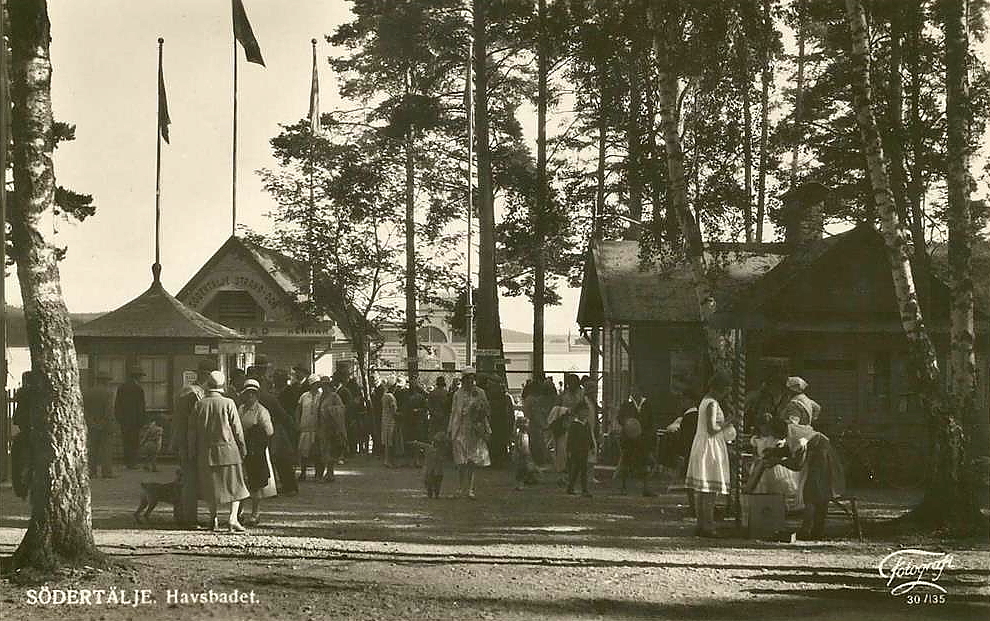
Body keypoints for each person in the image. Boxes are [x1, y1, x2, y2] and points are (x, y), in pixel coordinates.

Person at [765, 418, 846, 540]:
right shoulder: (791, 430)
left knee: (812, 494)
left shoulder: (798, 438)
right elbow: (791, 450)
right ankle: (816, 531)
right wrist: (775, 451)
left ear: (780, 431)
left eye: (775, 434)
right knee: (817, 493)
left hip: (822, 456)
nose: (775, 437)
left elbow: (797, 464)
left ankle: (808, 530)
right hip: (818, 454)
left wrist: (777, 461)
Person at [192, 370, 249, 533]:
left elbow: (192, 430)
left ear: (208, 385)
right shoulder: (229, 403)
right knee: (236, 486)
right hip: (229, 451)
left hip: (206, 452)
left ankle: (213, 518)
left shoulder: (199, 404)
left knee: (211, 486)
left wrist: (192, 449)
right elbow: (237, 429)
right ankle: (232, 519)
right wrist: (242, 446)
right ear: (222, 385)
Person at [685, 370, 736, 538]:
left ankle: (702, 524)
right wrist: (728, 421)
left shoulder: (705, 401)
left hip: (703, 443)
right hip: (710, 444)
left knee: (703, 490)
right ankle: (708, 525)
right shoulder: (712, 403)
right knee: (708, 491)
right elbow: (712, 428)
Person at [172, 360, 211, 528]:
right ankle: (189, 519)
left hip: (181, 440)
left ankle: (180, 514)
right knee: (191, 481)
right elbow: (196, 422)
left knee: (185, 480)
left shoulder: (184, 391)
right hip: (190, 442)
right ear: (207, 376)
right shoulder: (196, 394)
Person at [249, 367, 298, 496]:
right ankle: (287, 486)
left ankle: (273, 487)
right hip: (275, 430)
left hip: (264, 432)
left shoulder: (253, 398)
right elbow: (283, 415)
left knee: (273, 459)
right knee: (280, 459)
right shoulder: (269, 397)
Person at [238, 379, 278, 525]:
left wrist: (254, 432)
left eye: (252, 394)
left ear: (257, 395)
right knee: (241, 481)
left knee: (256, 484)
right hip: (241, 449)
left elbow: (269, 431)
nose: (250, 397)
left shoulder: (262, 411)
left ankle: (255, 512)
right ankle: (239, 512)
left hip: (256, 451)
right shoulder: (241, 409)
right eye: (247, 393)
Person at [448, 367, 491, 499]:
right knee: (461, 461)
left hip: (474, 429)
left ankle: (470, 489)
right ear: (464, 380)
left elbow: (487, 410)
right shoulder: (458, 394)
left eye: (473, 379)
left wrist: (480, 412)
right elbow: (454, 412)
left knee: (472, 460)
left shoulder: (480, 393)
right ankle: (461, 488)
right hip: (460, 428)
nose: (471, 382)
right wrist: (450, 430)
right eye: (468, 379)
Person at [746, 414, 802, 511]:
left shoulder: (779, 437)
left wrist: (775, 454)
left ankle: (781, 506)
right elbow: (755, 452)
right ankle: (763, 506)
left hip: (774, 465)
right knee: (762, 485)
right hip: (763, 462)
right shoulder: (757, 439)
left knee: (778, 486)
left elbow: (785, 450)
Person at [616, 384, 656, 496]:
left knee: (645, 463)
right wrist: (628, 424)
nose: (633, 392)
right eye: (631, 390)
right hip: (629, 439)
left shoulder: (647, 405)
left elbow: (651, 422)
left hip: (643, 439)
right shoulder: (627, 405)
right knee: (626, 462)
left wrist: (648, 436)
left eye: (635, 390)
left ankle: (646, 488)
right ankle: (623, 487)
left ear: (640, 391)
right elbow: (620, 418)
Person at [547, 374, 584, 485]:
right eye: (569, 383)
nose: (570, 385)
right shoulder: (563, 395)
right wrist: (564, 411)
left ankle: (573, 472)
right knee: (563, 451)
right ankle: (564, 473)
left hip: (577, 426)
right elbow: (555, 408)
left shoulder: (582, 395)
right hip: (565, 427)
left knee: (575, 450)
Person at [84, 370, 117, 478]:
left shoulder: (88, 392)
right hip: (106, 425)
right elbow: (109, 411)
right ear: (106, 381)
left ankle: (92, 472)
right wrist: (103, 423)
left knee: (92, 449)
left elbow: (84, 410)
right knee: (106, 449)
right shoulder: (109, 393)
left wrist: (92, 423)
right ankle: (106, 472)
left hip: (91, 425)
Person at [115, 366, 146, 469]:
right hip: (135, 421)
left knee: (126, 441)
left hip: (124, 420)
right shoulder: (139, 389)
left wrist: (119, 418)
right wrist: (142, 421)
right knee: (134, 442)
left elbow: (117, 404)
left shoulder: (121, 388)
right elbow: (141, 407)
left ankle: (127, 462)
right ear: (138, 377)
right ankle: (133, 463)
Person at [317, 375, 345, 482]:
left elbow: (341, 408)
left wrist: (329, 410)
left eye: (326, 385)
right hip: (322, 427)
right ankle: (324, 473)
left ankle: (330, 473)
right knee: (323, 450)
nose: (325, 388)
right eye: (323, 385)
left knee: (330, 450)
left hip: (332, 427)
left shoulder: (334, 396)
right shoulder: (320, 397)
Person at [296, 374, 323, 481]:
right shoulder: (304, 396)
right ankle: (303, 473)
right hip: (305, 427)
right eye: (314, 384)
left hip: (317, 428)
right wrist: (297, 422)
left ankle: (318, 474)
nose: (316, 386)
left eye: (318, 384)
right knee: (303, 452)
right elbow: (298, 410)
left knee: (317, 452)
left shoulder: (321, 396)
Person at [566, 399, 594, 497]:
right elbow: (570, 439)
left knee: (581, 469)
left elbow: (589, 436)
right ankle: (583, 489)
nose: (585, 413)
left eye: (586, 411)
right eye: (583, 411)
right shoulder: (574, 425)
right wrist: (569, 450)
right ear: (578, 412)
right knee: (578, 469)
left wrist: (592, 446)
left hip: (585, 449)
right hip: (576, 450)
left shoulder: (586, 424)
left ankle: (574, 487)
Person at [512, 414, 538, 490]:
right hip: (521, 455)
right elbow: (519, 445)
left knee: (526, 468)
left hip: (526, 454)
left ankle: (527, 480)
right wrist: (521, 452)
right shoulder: (520, 435)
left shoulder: (525, 434)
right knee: (520, 470)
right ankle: (519, 484)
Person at [381, 382, 399, 467]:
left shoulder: (384, 396)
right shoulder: (391, 397)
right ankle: (389, 461)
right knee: (391, 441)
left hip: (385, 419)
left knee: (387, 442)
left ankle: (386, 459)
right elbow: (393, 410)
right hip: (391, 420)